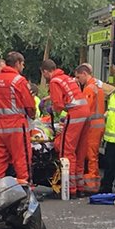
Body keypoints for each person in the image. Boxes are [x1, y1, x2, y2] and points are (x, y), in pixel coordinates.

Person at [41, 59, 89, 198]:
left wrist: (52, 108)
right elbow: (68, 94)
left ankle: (70, 189)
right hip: (85, 112)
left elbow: (59, 105)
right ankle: (80, 187)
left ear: (45, 71)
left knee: (67, 150)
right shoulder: (66, 78)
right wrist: (47, 98)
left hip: (75, 114)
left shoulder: (54, 82)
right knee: (80, 151)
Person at [0, 52, 36, 185]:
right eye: (22, 64)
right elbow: (29, 104)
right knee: (22, 157)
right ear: (17, 63)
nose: (24, 67)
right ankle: (25, 186)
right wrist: (32, 115)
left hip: (0, 125)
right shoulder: (18, 80)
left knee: (0, 157)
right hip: (16, 125)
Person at [74, 63, 105, 195]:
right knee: (93, 154)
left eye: (79, 77)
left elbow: (85, 109)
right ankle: (93, 182)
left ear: (84, 74)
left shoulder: (89, 89)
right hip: (98, 125)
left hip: (93, 126)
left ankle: (92, 185)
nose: (78, 80)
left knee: (91, 155)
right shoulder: (97, 86)